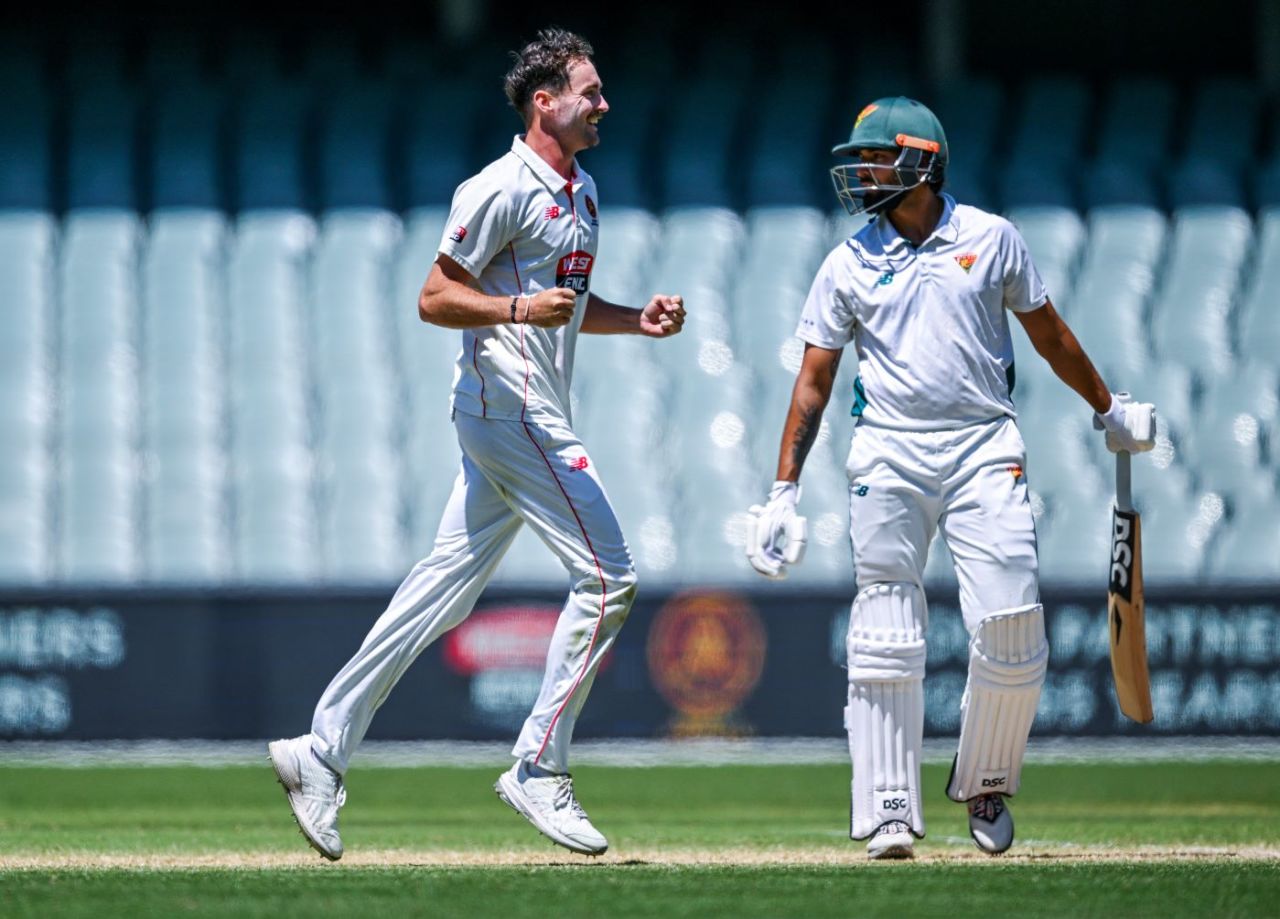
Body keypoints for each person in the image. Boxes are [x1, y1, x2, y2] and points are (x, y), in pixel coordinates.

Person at [269, 28, 685, 861]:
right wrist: (515, 313)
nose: (604, 105)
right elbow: (433, 297)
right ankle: (537, 765)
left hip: (522, 408)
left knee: (440, 593)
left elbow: (564, 299)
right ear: (545, 102)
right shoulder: (497, 187)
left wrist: (631, 319)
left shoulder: (582, 189)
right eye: (590, 92)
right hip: (511, 408)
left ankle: (320, 749)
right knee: (610, 578)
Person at [745, 97, 1155, 859]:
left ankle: (988, 777)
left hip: (982, 445)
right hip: (889, 450)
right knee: (885, 630)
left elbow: (1050, 335)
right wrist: (784, 489)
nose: (860, 170)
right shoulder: (847, 261)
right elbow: (813, 381)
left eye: (873, 157)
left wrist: (1109, 407)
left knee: (1011, 622)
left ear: (919, 163)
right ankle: (889, 805)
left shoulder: (992, 239)